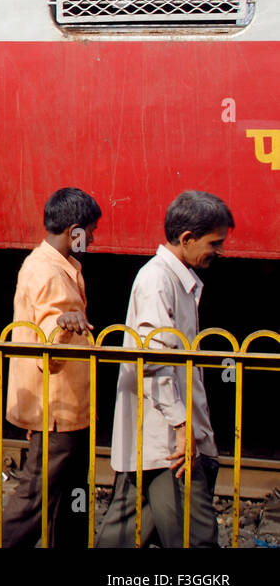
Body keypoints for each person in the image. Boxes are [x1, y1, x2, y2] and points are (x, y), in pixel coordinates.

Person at [96, 191, 234, 549]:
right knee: (196, 536)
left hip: (157, 438)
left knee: (125, 532)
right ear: (186, 239)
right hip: (169, 440)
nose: (218, 251)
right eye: (214, 243)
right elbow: (154, 362)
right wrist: (184, 426)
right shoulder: (158, 280)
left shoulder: (172, 278)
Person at [0, 187, 101, 548]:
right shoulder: (51, 273)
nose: (93, 238)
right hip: (60, 410)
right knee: (35, 501)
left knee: (65, 499)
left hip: (60, 409)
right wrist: (66, 326)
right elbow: (49, 340)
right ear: (74, 232)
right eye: (91, 230)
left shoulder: (46, 264)